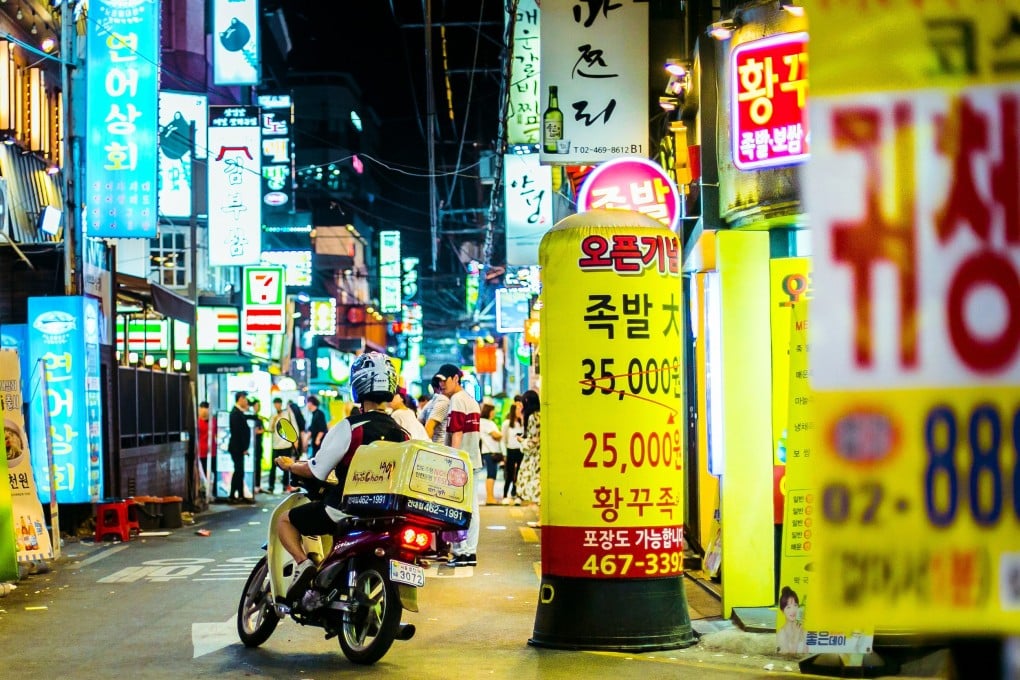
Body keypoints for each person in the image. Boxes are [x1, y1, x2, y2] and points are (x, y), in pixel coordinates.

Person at [274, 352, 409, 604]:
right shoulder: (402, 434)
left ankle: (304, 565)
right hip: (385, 514)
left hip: (346, 510)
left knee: (285, 521)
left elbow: (317, 470)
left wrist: (292, 466)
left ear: (357, 385)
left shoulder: (350, 427)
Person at [435, 364, 481, 566]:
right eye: (439, 380)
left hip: (462, 462)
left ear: (456, 378)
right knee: (470, 506)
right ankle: (467, 552)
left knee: (464, 507)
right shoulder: (471, 400)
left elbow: (457, 432)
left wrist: (453, 459)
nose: (441, 384)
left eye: (445, 379)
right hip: (471, 460)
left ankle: (466, 552)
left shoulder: (457, 400)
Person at [515, 390, 541, 509]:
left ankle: (541, 519)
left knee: (535, 485)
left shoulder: (532, 417)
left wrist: (522, 441)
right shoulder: (540, 415)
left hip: (535, 458)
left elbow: (534, 441)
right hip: (540, 455)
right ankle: (541, 519)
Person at [227, 391, 253, 504]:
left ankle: (240, 495)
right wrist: (244, 448)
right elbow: (238, 433)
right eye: (245, 399)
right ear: (240, 399)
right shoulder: (235, 413)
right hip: (236, 448)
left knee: (240, 471)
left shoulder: (239, 412)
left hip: (239, 448)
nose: (246, 401)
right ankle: (232, 495)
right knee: (238, 471)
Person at [267, 397, 297, 494]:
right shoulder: (273, 415)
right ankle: (271, 486)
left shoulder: (287, 413)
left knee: (286, 465)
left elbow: (294, 426)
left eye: (278, 403)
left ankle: (285, 485)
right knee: (273, 466)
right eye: (275, 404)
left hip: (286, 444)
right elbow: (270, 429)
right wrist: (275, 419)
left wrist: (296, 440)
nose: (277, 405)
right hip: (276, 445)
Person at [478, 403, 503, 505]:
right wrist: (502, 434)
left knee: (492, 474)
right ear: (488, 411)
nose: (494, 413)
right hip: (490, 451)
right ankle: (489, 498)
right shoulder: (486, 422)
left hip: (489, 451)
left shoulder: (485, 422)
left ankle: (490, 497)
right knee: (491, 474)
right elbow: (495, 435)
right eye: (493, 411)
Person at [500, 401, 524, 505]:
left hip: (521, 451)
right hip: (510, 450)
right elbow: (503, 440)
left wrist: (522, 419)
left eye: (521, 408)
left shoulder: (522, 423)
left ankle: (517, 495)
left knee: (519, 473)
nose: (520, 410)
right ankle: (505, 496)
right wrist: (504, 454)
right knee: (509, 474)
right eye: (518, 409)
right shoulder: (506, 424)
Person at [777, 586, 809, 654]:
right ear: (782, 610)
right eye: (788, 607)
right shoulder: (782, 634)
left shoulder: (804, 631)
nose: (793, 610)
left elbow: (805, 656)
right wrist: (796, 635)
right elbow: (788, 659)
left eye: (795, 605)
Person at [196, 401, 217, 498]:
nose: (204, 412)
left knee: (215, 472)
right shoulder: (197, 423)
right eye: (202, 410)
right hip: (201, 452)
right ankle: (205, 494)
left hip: (213, 451)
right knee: (204, 474)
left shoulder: (214, 421)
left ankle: (215, 492)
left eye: (206, 410)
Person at [421, 376, 450, 444]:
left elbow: (419, 421)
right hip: (440, 448)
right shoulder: (443, 401)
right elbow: (429, 427)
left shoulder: (431, 402)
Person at [249, 397, 266, 495]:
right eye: (256, 406)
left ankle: (257, 485)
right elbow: (256, 431)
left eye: (259, 406)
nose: (257, 407)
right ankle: (253, 484)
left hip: (259, 445)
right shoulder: (251, 417)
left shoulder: (259, 418)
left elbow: (261, 430)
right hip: (251, 446)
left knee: (258, 465)